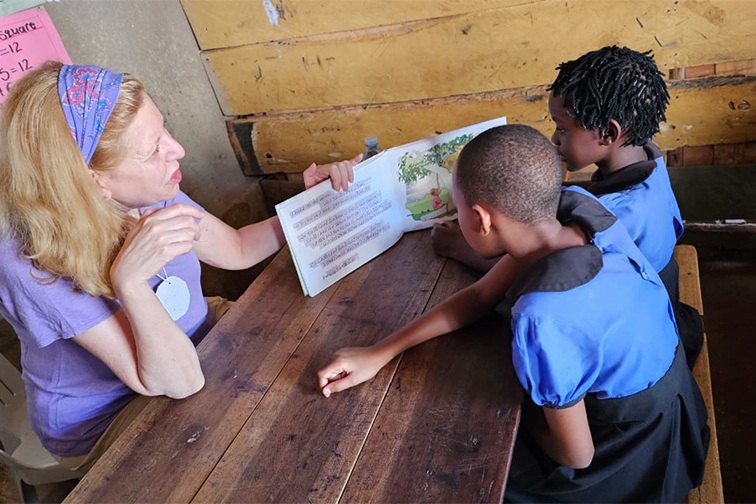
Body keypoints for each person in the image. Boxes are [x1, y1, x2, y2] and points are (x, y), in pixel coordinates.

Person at [0, 61, 360, 473]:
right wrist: (130, 282)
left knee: (310, 361)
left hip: (193, 343)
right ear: (92, 180)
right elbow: (179, 381)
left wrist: (308, 207)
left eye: (164, 129)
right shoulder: (27, 259)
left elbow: (238, 249)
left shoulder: (149, 189)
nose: (177, 150)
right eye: (153, 150)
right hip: (111, 412)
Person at [317, 124, 709, 502]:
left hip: (633, 452)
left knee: (459, 467)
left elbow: (578, 456)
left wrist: (529, 423)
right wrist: (381, 351)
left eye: (458, 209)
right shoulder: (583, 216)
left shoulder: (541, 320)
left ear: (482, 219)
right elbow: (481, 296)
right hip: (671, 393)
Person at [431, 45, 703, 367]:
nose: (554, 139)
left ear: (608, 133)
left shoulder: (612, 219)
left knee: (506, 335)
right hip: (654, 307)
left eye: (562, 128)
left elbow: (531, 270)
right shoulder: (647, 153)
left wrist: (459, 248)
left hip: (638, 342)